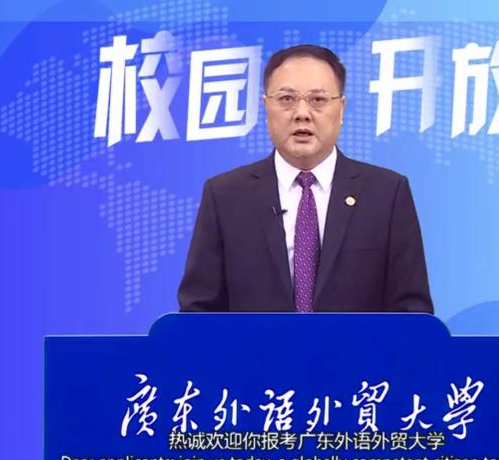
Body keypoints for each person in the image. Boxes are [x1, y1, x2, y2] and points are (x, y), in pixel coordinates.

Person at [178, 44, 433, 313]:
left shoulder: (387, 194)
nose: (302, 113)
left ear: (341, 109)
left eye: (318, 100)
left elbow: (412, 313)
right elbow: (198, 312)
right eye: (286, 99)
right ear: (266, 107)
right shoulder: (225, 196)